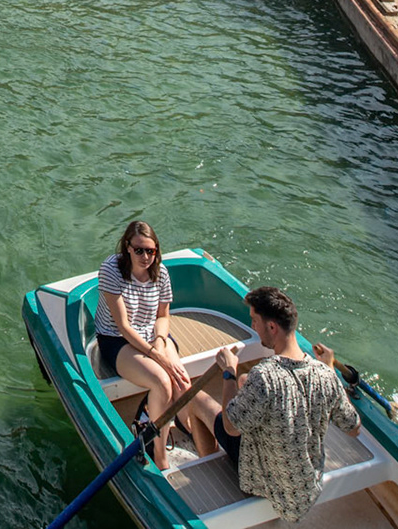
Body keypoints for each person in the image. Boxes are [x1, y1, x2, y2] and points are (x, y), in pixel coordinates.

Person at [198, 287, 361, 524]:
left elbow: (231, 426)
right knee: (246, 383)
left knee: (197, 401)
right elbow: (354, 429)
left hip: (267, 486)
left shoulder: (265, 376)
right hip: (306, 489)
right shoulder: (324, 375)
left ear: (272, 327)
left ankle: (216, 475)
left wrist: (229, 372)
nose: (253, 327)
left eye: (255, 321)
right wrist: (328, 369)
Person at [96, 221, 190, 467]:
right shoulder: (111, 269)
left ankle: (182, 424)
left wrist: (159, 343)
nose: (146, 256)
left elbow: (163, 317)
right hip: (116, 338)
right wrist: (156, 356)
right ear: (127, 247)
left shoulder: (161, 272)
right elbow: (124, 327)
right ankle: (158, 453)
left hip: (153, 335)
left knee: (181, 380)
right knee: (161, 381)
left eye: (151, 251)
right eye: (139, 250)